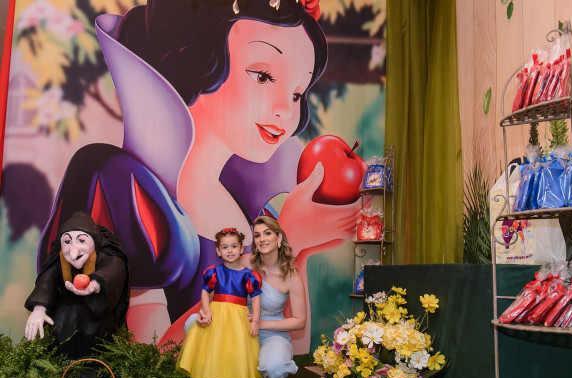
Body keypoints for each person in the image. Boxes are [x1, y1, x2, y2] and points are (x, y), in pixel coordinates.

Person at [38, 0, 360, 351]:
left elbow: (286, 348)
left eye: (298, 92)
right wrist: (288, 244)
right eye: (263, 76)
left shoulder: (259, 215)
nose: (287, 109)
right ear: (196, 59)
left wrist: (297, 254)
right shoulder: (123, 185)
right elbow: (148, 360)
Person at [193, 216, 304, 378]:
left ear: (279, 238)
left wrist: (261, 323)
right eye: (258, 235)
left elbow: (300, 321)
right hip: (237, 327)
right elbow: (215, 293)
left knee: (275, 367)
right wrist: (203, 312)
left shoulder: (291, 275)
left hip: (272, 332)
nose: (262, 239)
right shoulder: (243, 261)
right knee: (192, 323)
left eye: (267, 233)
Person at [24, 211, 130, 359]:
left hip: (98, 326)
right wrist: (39, 309)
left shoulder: (109, 256)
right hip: (63, 324)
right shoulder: (59, 259)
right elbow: (46, 281)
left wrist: (95, 284)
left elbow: (114, 272)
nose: (73, 253)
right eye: (67, 242)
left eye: (81, 241)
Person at [177, 228, 263, 378]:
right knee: (213, 352)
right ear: (218, 251)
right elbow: (205, 292)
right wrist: (206, 310)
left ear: (242, 249)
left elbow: (255, 299)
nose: (230, 250)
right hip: (217, 316)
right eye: (225, 247)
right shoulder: (214, 272)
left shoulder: (249, 275)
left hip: (238, 317)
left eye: (234, 246)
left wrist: (255, 320)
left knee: (239, 352)